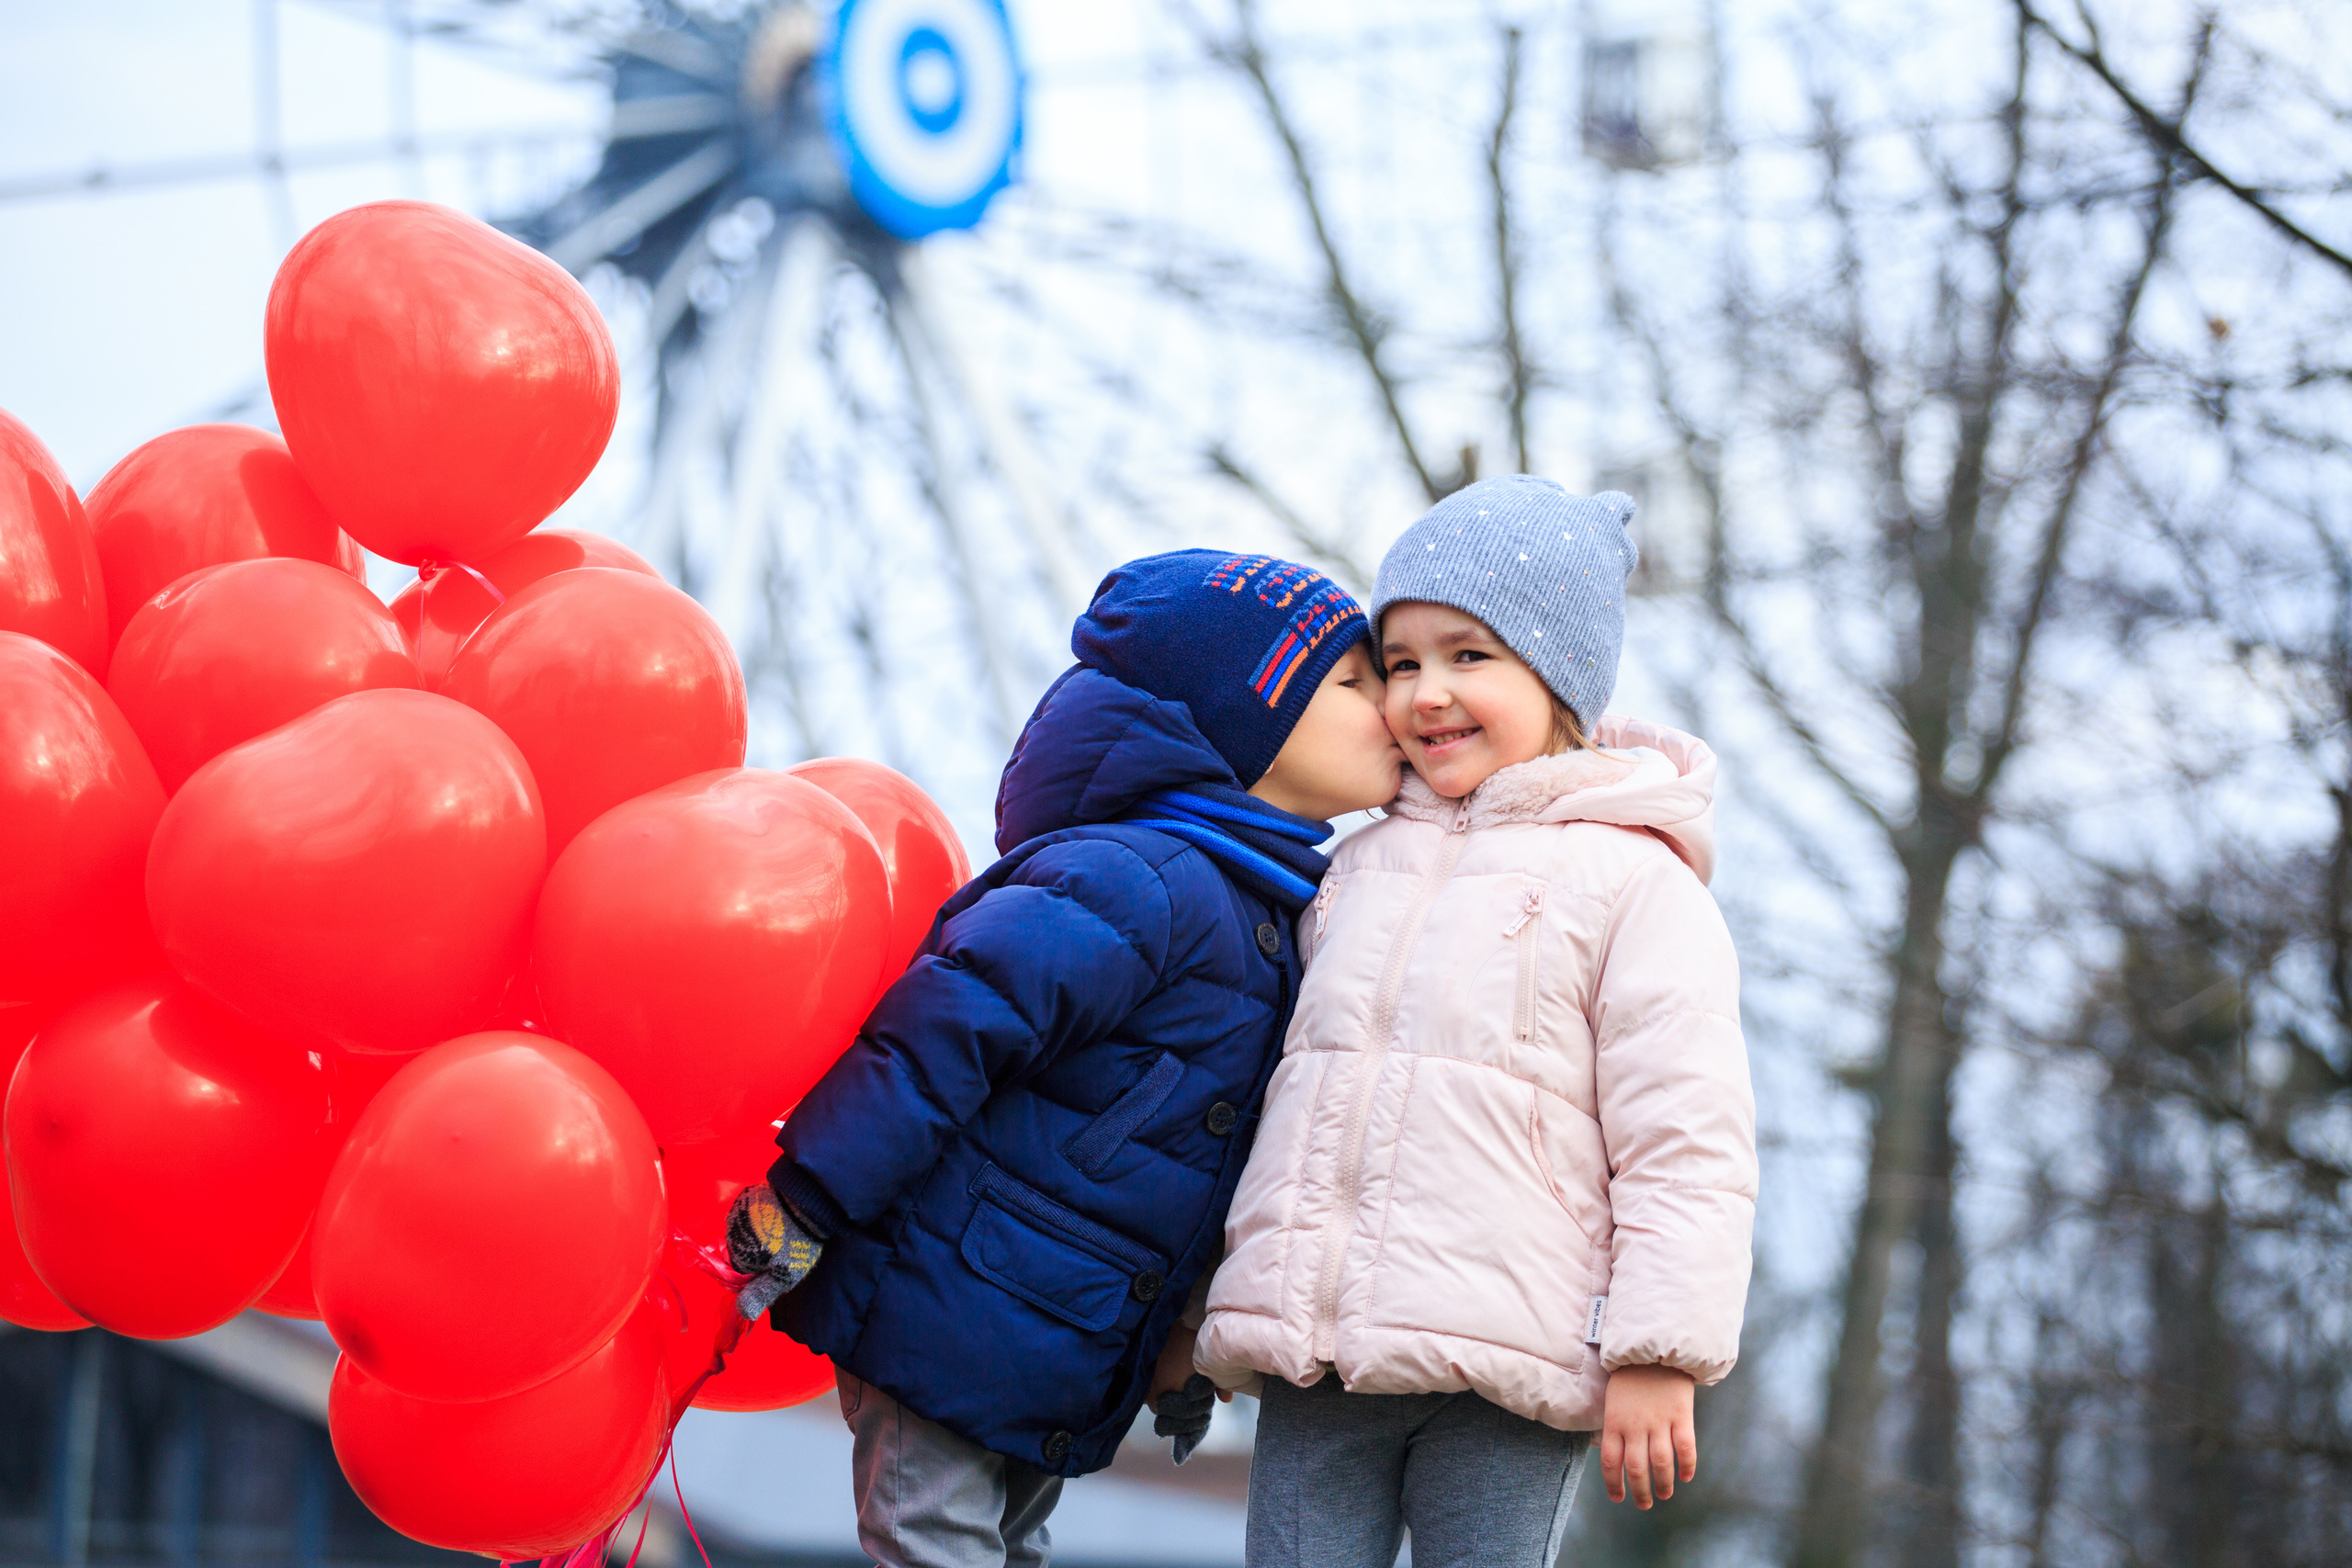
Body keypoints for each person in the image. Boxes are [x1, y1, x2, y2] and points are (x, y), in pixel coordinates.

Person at [723, 550, 1405, 1568]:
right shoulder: (1136, 877)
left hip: (1056, 1334)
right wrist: (812, 1196)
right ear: (1245, 723)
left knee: (1008, 1547)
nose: (1391, 704)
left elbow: (1212, 1160)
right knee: (934, 1543)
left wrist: (1183, 1342)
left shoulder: (1270, 913)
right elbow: (943, 1030)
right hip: (950, 1307)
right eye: (1352, 682)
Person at [1193, 477, 1758, 1567]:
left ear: (1557, 677)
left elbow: (1685, 1138)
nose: (1425, 693)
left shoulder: (1635, 883)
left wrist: (1659, 1353)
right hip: (1323, 1351)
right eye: (1400, 663)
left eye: (1468, 656)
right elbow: (1272, 1102)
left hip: (1514, 1360)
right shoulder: (1347, 871)